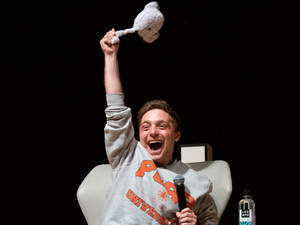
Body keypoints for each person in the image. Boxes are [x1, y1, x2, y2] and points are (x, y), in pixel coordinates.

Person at [99, 29, 218, 225]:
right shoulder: (127, 154)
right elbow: (115, 109)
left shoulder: (198, 183)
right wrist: (110, 56)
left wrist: (193, 223)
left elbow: (209, 222)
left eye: (161, 126)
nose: (153, 131)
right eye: (145, 127)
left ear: (176, 135)